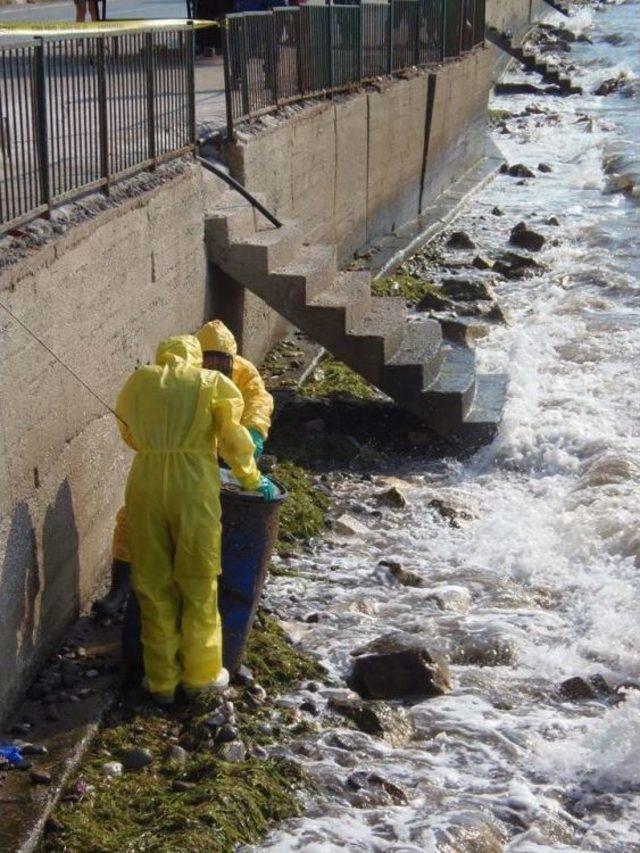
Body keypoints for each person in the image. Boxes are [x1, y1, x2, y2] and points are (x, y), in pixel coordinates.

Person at [115, 335, 273, 704]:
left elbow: (129, 433)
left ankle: (161, 683)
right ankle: (201, 677)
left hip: (146, 483)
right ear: (196, 357)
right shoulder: (212, 382)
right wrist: (251, 477)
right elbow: (233, 440)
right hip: (194, 487)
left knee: (153, 584)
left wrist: (158, 446)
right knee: (199, 581)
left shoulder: (140, 381)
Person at [95, 320, 274, 617]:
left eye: (222, 363)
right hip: (181, 458)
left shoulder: (244, 372)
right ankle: (119, 591)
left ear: (232, 360)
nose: (216, 369)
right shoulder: (175, 377)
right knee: (133, 518)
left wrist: (253, 432)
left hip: (225, 453)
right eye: (209, 361)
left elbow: (259, 399)